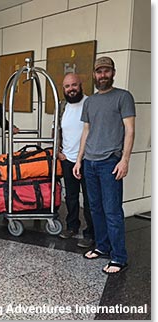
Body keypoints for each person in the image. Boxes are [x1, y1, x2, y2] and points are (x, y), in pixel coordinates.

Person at [73, 57, 135, 274]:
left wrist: (125, 159)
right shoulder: (90, 102)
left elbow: (129, 130)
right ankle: (102, 246)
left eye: (106, 71)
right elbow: (86, 132)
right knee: (95, 209)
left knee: (112, 210)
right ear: (94, 75)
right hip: (90, 162)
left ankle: (119, 257)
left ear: (113, 73)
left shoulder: (123, 97)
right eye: (99, 72)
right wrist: (79, 159)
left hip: (110, 162)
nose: (102, 75)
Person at [56, 73, 94, 248]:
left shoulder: (90, 103)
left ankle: (90, 233)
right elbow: (56, 129)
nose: (71, 89)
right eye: (67, 86)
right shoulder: (62, 106)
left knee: (89, 199)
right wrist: (58, 150)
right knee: (70, 196)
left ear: (81, 84)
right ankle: (72, 226)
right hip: (68, 159)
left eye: (74, 85)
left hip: (87, 160)